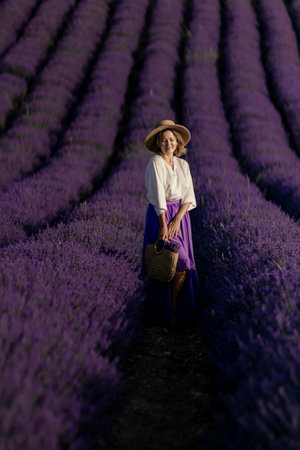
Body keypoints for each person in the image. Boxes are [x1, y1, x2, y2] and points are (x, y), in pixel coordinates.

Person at [142, 119, 200, 329]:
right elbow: (157, 196)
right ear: (158, 142)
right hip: (161, 215)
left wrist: (178, 219)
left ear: (178, 143)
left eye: (172, 140)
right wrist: (164, 225)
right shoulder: (155, 163)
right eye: (165, 140)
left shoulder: (183, 165)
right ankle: (165, 312)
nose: (169, 143)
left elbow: (189, 195)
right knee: (168, 263)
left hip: (180, 217)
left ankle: (173, 311)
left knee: (181, 265)